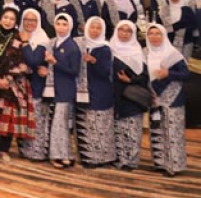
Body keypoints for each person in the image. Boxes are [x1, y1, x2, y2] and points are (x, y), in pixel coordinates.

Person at [0, 8, 34, 166]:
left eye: (12, 19)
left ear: (16, 22)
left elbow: (23, 63)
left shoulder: (19, 37)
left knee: (10, 117)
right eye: (5, 17)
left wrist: (8, 78)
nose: (8, 21)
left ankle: (4, 150)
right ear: (0, 19)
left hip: (13, 83)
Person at [145, 24, 187, 176]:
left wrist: (168, 73)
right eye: (151, 34)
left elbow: (185, 74)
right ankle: (160, 163)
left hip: (173, 98)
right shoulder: (145, 53)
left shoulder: (173, 54)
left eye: (158, 34)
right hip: (154, 97)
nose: (154, 37)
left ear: (164, 36)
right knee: (157, 129)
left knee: (172, 132)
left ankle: (174, 166)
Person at [76, 17, 116, 168]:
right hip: (83, 91)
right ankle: (89, 158)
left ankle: (105, 157)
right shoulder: (80, 46)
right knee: (86, 124)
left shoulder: (105, 48)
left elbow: (106, 72)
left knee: (101, 125)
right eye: (92, 27)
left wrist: (94, 61)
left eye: (98, 28)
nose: (95, 30)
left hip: (101, 91)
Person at [109, 19, 148, 171]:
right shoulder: (110, 50)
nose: (124, 33)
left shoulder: (138, 52)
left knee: (132, 129)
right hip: (115, 95)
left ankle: (131, 161)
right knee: (118, 128)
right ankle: (120, 159)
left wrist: (130, 80)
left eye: (128, 31)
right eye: (121, 30)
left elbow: (145, 76)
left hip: (132, 96)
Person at [45, 13, 81, 168]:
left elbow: (74, 71)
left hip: (65, 90)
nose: (61, 27)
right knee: (58, 124)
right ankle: (62, 154)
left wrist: (55, 62)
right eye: (58, 24)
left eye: (64, 24)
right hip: (54, 89)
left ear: (70, 26)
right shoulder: (53, 43)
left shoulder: (72, 46)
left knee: (61, 124)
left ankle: (60, 155)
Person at [18, 8, 52, 162]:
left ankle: (37, 152)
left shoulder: (42, 39)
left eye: (33, 20)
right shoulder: (18, 35)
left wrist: (25, 43)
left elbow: (34, 60)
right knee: (24, 118)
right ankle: (24, 150)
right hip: (21, 85)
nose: (29, 23)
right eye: (26, 19)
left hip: (36, 85)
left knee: (36, 119)